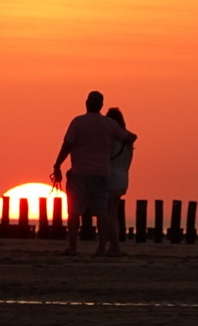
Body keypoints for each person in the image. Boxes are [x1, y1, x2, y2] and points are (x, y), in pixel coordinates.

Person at [50, 91, 136, 257]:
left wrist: (57, 165)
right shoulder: (110, 125)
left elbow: (67, 145)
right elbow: (129, 138)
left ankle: (73, 248)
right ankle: (101, 249)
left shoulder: (78, 122)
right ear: (101, 106)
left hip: (79, 173)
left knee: (74, 212)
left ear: (86, 103)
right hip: (102, 174)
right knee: (102, 212)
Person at [103, 107, 133, 256]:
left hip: (111, 177)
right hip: (123, 178)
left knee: (109, 213)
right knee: (114, 214)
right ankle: (114, 247)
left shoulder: (112, 140)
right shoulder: (128, 142)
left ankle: (115, 248)